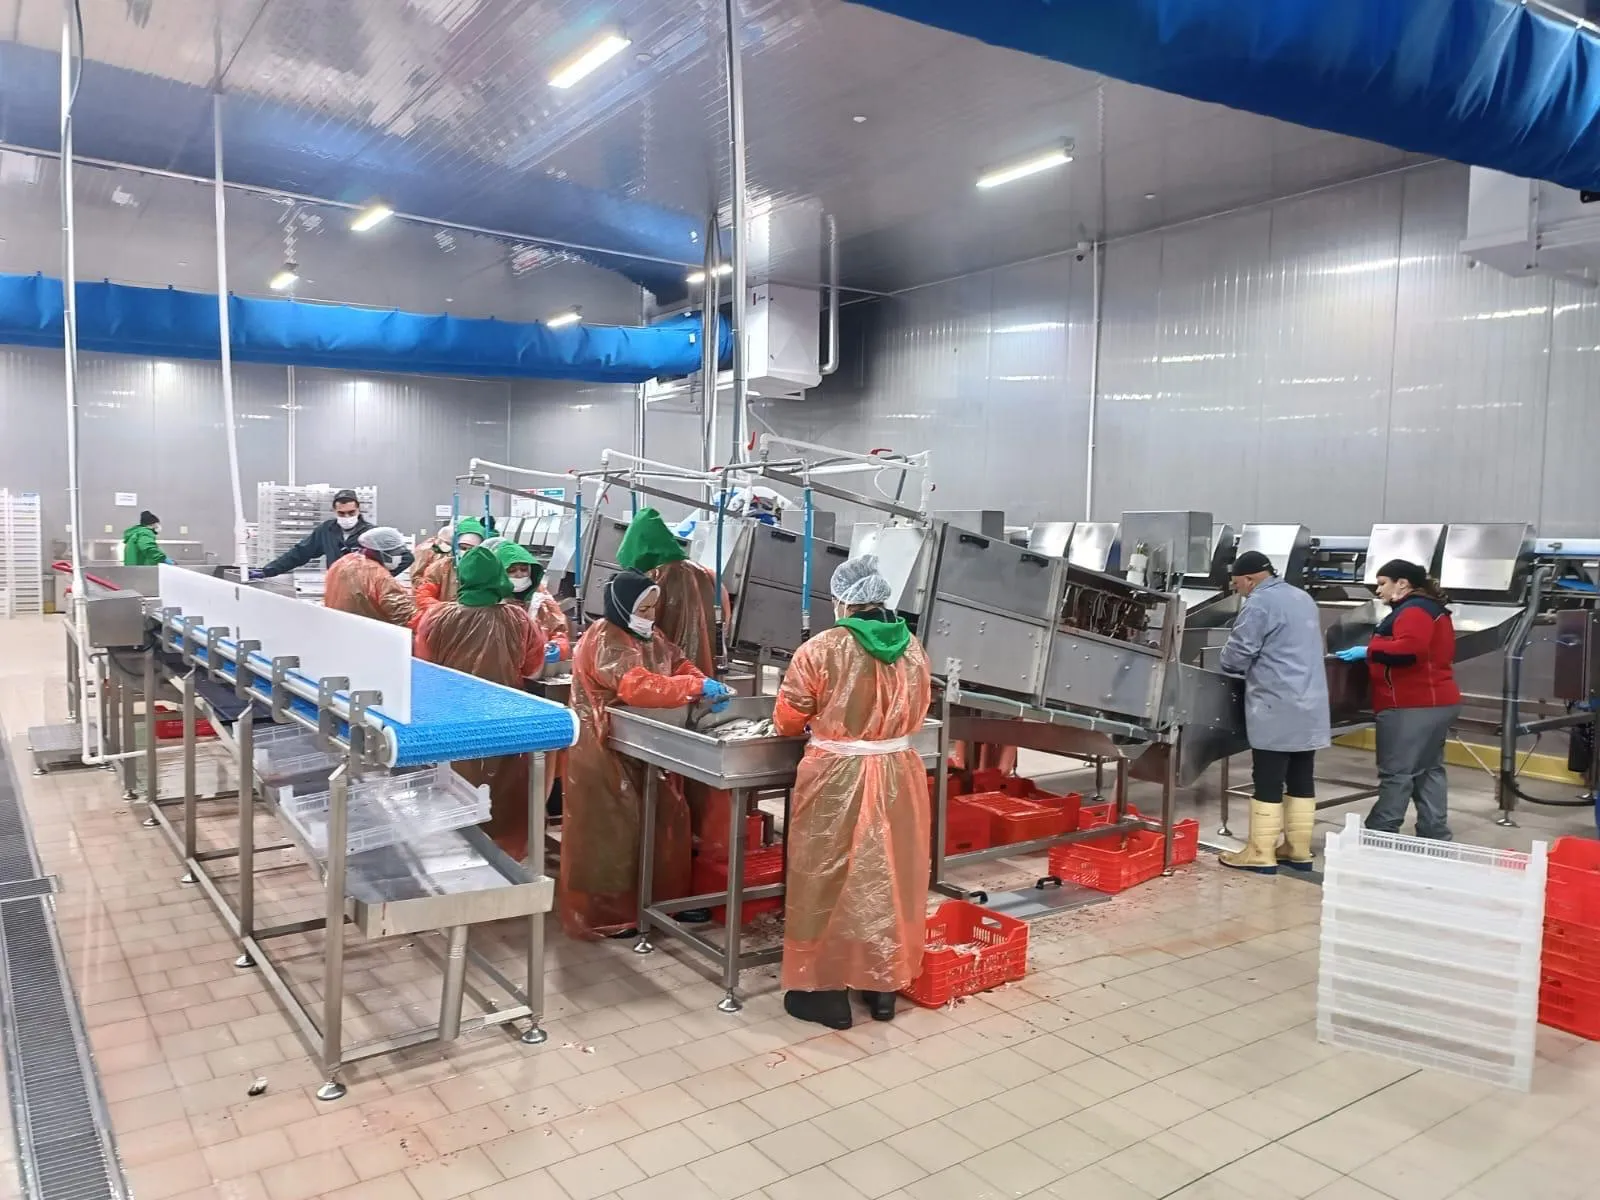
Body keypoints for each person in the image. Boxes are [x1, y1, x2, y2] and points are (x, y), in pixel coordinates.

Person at [772, 554, 933, 1029]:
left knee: (826, 876)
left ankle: (825, 994)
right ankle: (882, 987)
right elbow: (922, 706)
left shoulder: (821, 649)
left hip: (836, 778)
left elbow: (788, 719)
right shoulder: (913, 648)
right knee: (888, 873)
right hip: (898, 774)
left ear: (842, 601)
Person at [559, 571, 733, 940]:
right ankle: (610, 914)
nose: (651, 614)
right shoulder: (605, 638)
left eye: (654, 607)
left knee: (666, 822)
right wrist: (694, 687)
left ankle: (666, 901)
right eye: (644, 608)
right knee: (614, 832)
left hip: (645, 739)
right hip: (603, 747)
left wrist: (701, 681)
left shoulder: (651, 636)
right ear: (622, 605)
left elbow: (677, 662)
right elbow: (636, 686)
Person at [413, 546, 547, 858]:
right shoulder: (518, 619)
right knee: (502, 794)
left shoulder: (436, 617)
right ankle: (504, 859)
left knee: (453, 787)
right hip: (504, 720)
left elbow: (425, 668)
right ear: (498, 577)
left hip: (449, 722)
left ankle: (452, 853)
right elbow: (533, 669)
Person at [1217, 550, 1331, 874]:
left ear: (1250, 579)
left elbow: (1238, 653)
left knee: (1267, 777)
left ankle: (1261, 852)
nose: (1237, 589)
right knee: (1301, 776)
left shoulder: (1260, 603)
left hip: (1276, 704)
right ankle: (1298, 850)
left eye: (1237, 584)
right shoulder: (1303, 598)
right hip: (1310, 704)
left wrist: (1225, 664)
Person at [1336, 559, 1462, 840]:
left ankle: (1380, 834)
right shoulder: (1431, 608)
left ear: (1402, 584)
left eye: (1382, 583)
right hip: (1437, 702)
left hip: (1410, 704)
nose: (1378, 590)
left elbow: (1409, 650)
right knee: (1428, 770)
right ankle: (1434, 835)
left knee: (1397, 773)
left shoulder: (1414, 610)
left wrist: (1368, 651)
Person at [615, 508, 721, 676]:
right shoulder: (703, 572)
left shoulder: (655, 576)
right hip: (702, 665)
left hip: (669, 668)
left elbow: (642, 624)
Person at [256, 489, 412, 579]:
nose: (347, 517)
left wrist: (381, 578)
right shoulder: (327, 531)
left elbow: (407, 557)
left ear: (359, 509)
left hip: (364, 594)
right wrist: (268, 570)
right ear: (334, 511)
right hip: (336, 590)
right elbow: (300, 553)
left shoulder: (372, 534)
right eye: (341, 513)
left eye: (351, 512)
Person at [323, 527, 416, 627]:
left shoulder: (342, 562)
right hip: (369, 630)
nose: (400, 556)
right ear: (382, 551)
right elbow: (403, 613)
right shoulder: (380, 576)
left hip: (337, 625)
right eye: (396, 552)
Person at [412, 517, 488, 615]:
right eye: (463, 548)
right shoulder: (439, 567)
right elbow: (424, 594)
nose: (466, 553)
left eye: (471, 549)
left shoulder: (485, 570)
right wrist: (444, 611)